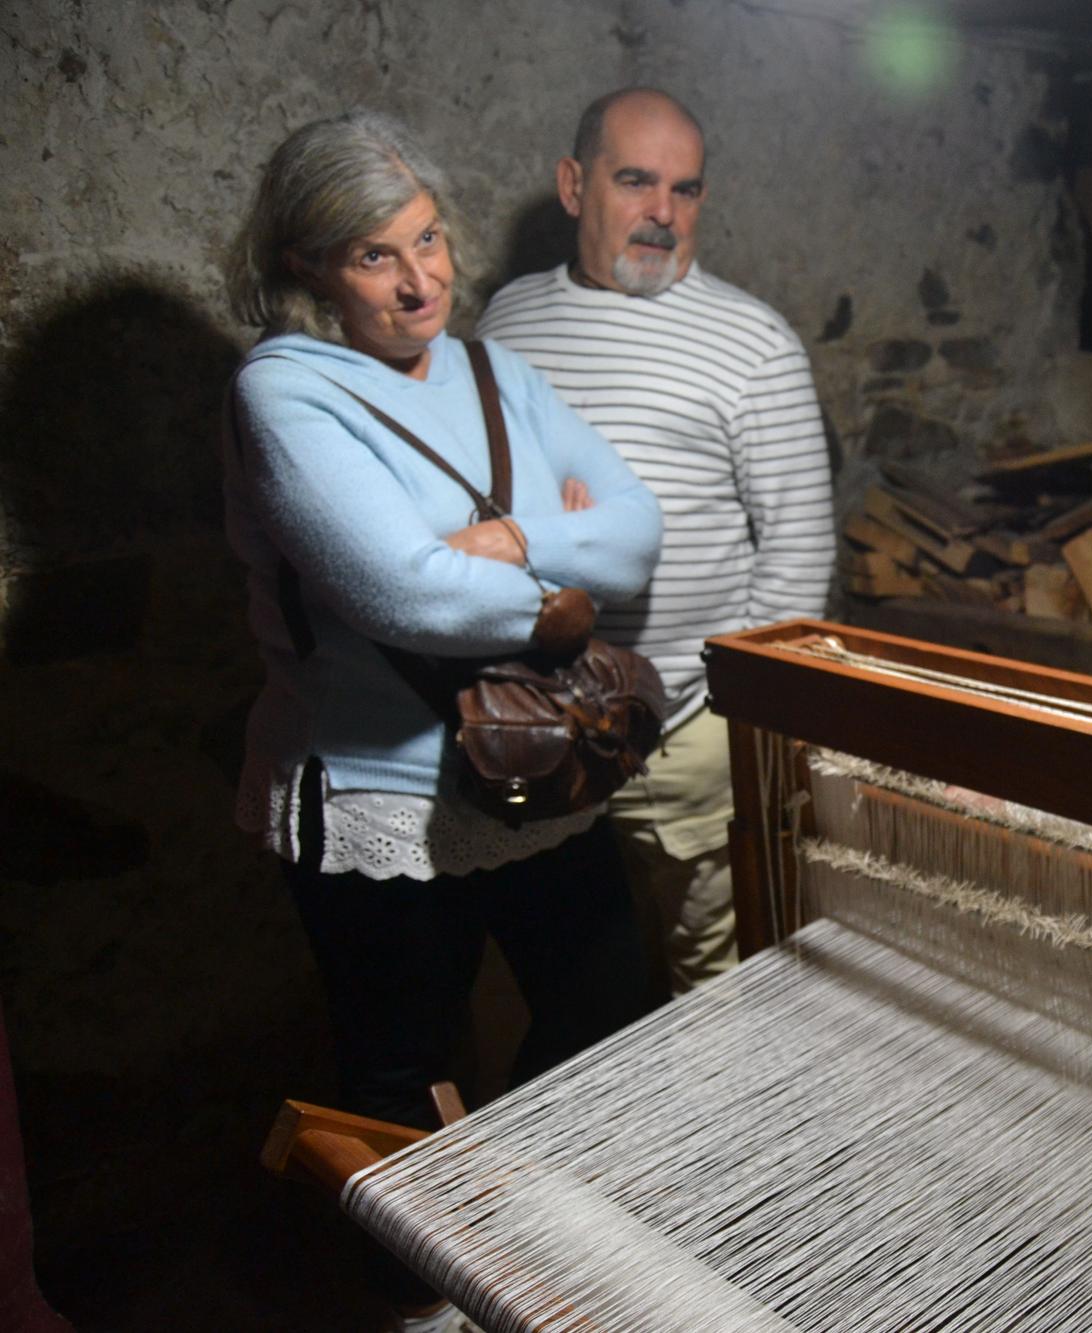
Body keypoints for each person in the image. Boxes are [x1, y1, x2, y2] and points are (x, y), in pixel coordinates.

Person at [224, 110, 662, 1333]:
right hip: (380, 796)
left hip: (534, 772)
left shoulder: (490, 371)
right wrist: (562, 603)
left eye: (427, 241)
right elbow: (395, 589)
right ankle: (416, 1307)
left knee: (605, 1016)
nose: (420, 281)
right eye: (375, 255)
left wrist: (519, 541)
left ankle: (494, 1242)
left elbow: (638, 530)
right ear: (309, 264)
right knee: (399, 1078)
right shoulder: (285, 393)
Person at [478, 87, 835, 998]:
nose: (662, 214)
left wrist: (725, 715)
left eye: (685, 190)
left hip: (685, 737)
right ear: (573, 185)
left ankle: (727, 1143)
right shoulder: (506, 323)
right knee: (569, 986)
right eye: (635, 181)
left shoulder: (754, 344)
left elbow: (797, 559)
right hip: (538, 726)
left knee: (713, 983)